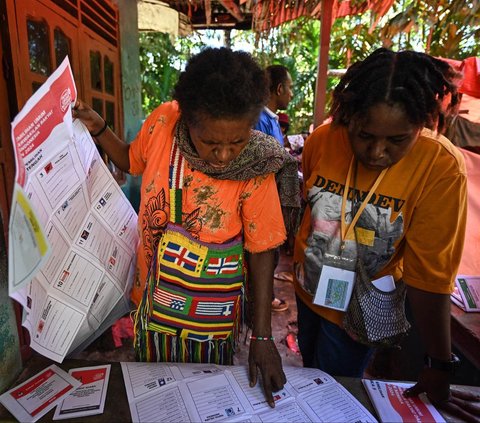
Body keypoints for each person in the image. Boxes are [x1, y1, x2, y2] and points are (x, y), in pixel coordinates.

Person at [72, 47, 300, 407]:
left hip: (213, 313)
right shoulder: (164, 122)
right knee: (157, 397)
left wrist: (261, 338)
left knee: (208, 397)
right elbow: (131, 160)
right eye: (210, 142)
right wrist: (99, 127)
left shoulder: (256, 164)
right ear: (186, 118)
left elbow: (261, 249)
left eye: (236, 141)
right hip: (154, 301)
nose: (224, 155)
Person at [293, 47, 480, 419]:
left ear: (421, 124)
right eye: (364, 135)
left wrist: (439, 363)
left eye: (397, 140)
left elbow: (430, 277)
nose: (377, 152)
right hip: (308, 287)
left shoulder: (440, 167)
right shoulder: (323, 139)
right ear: (349, 117)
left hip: (360, 307)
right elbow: (309, 211)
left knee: (334, 396)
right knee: (309, 373)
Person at [254, 64, 294, 312]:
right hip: (262, 200)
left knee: (271, 253)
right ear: (279, 89)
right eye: (289, 88)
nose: (291, 94)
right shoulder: (260, 119)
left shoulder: (270, 119)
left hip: (271, 199)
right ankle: (262, 299)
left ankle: (264, 296)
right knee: (264, 254)